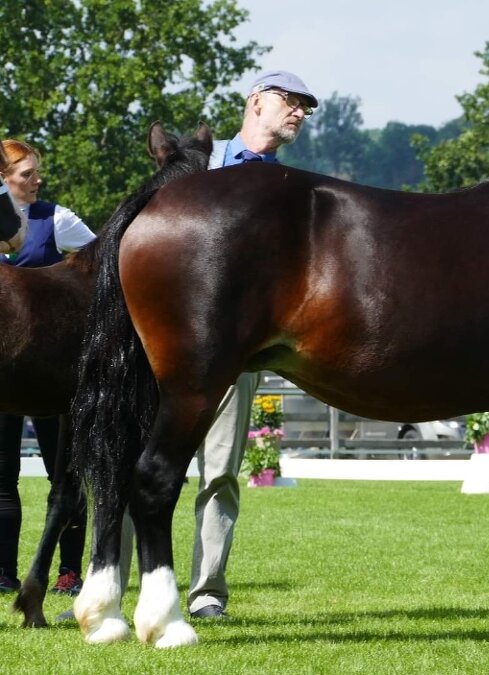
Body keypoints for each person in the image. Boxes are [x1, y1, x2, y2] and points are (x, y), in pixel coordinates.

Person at [188, 70, 318, 620]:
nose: (300, 113)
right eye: (291, 101)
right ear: (257, 101)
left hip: (239, 354)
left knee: (220, 472)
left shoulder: (291, 188)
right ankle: (114, 580)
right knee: (136, 464)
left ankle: (206, 593)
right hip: (169, 345)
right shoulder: (197, 164)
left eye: (306, 108)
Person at [0, 139, 95, 595]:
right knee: (2, 477)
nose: (37, 180)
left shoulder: (58, 220)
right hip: (4, 366)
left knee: (66, 473)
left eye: (37, 172)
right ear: (3, 180)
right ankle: (3, 573)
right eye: (27, 174)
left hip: (51, 365)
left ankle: (69, 571)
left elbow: (103, 261)